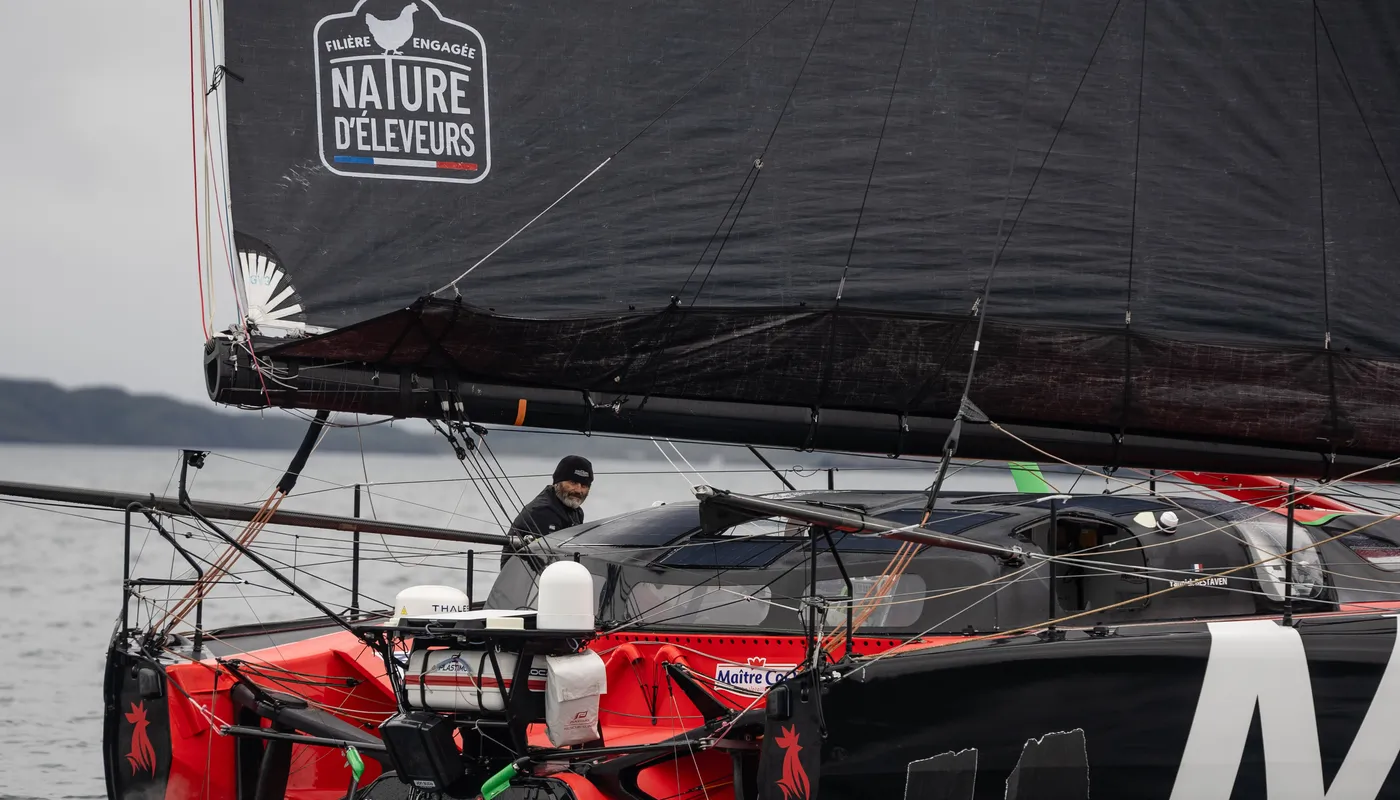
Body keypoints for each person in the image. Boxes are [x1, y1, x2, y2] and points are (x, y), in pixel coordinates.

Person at [501, 455, 593, 567]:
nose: (578, 490)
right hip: (523, 577)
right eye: (573, 483)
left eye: (584, 485)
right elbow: (547, 559)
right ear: (557, 483)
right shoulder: (543, 511)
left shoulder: (576, 511)